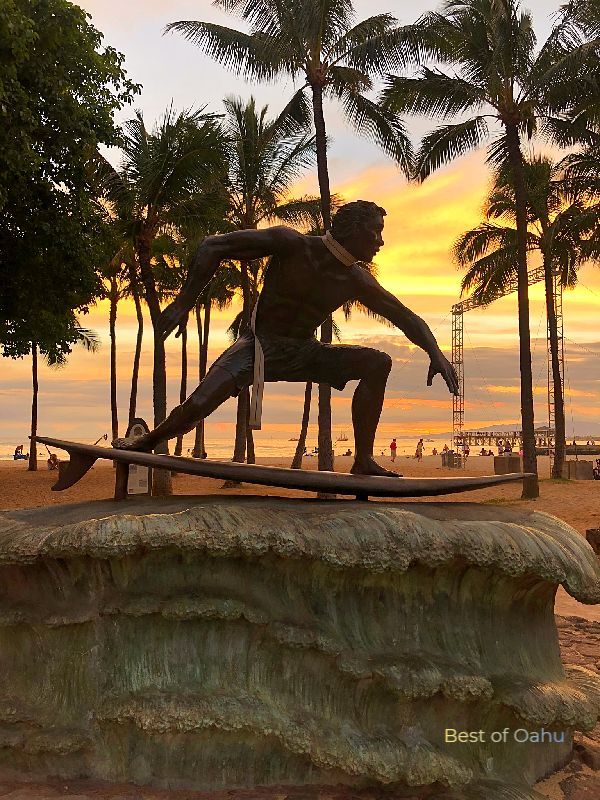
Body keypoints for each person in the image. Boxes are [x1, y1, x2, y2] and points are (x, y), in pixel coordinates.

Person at [113, 200, 459, 477]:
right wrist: (185, 303)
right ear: (354, 231)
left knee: (377, 363)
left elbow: (407, 318)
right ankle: (147, 442)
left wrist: (437, 354)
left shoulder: (355, 279)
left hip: (303, 352)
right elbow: (212, 246)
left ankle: (363, 459)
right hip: (259, 347)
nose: (381, 242)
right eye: (376, 233)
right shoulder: (291, 244)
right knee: (199, 405)